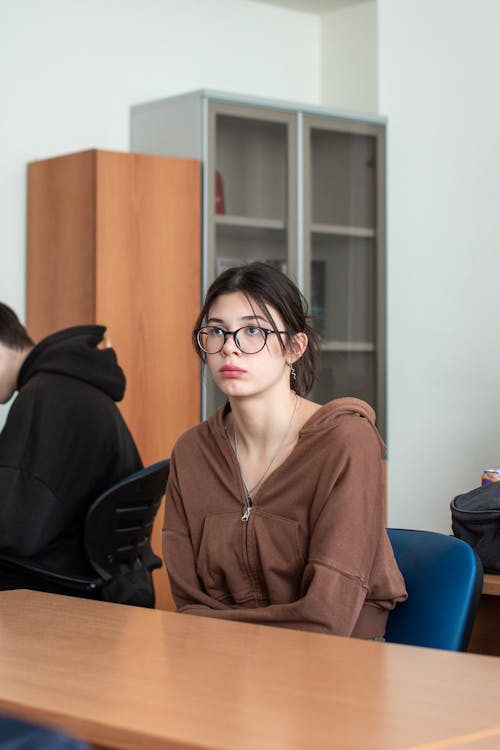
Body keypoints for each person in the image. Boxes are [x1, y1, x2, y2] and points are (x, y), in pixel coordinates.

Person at [162, 262, 407, 638]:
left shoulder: (345, 442)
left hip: (340, 663)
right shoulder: (191, 452)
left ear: (294, 347)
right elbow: (188, 602)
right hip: (224, 661)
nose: (230, 347)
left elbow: (327, 617)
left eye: (253, 330)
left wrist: (215, 632)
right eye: (216, 332)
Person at [0, 304, 142, 592]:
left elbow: (15, 531)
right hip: (102, 575)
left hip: (60, 582)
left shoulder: (43, 395)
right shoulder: (66, 384)